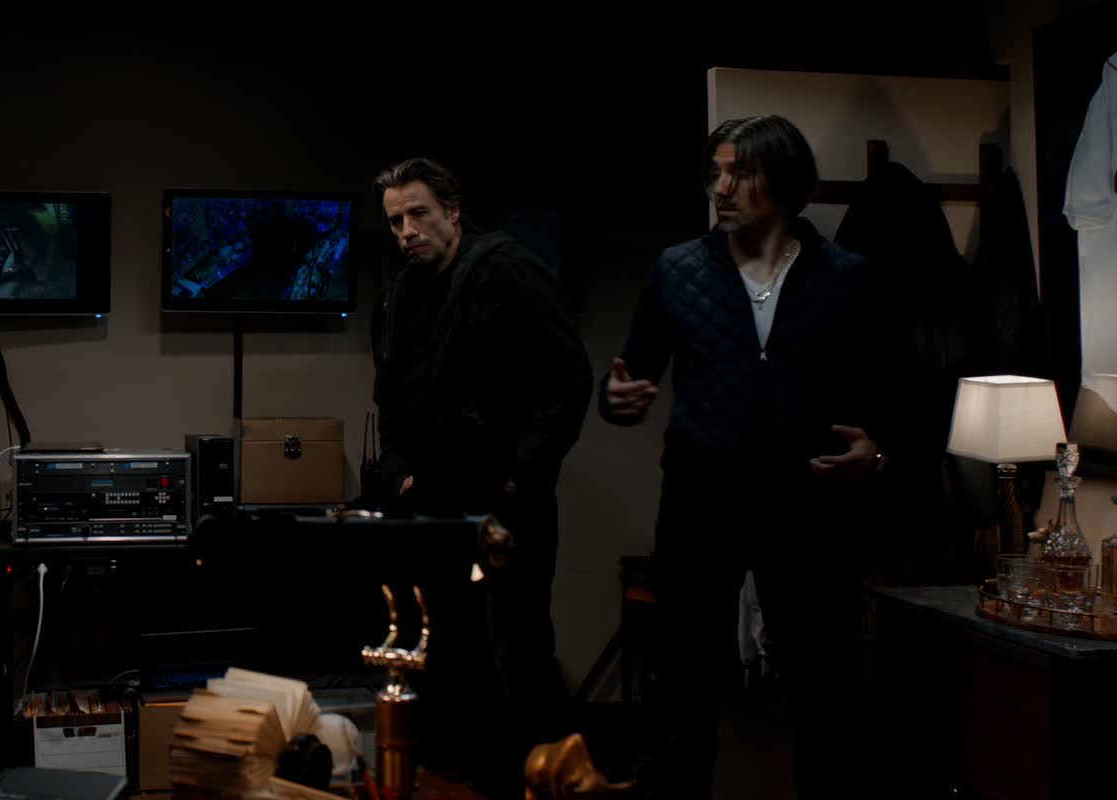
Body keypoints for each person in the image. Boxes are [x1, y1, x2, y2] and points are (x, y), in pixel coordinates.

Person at [601, 115, 887, 799]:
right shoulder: (678, 270)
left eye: (740, 173)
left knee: (824, 693)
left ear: (784, 182)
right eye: (716, 172)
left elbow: (887, 391)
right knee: (682, 691)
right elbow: (628, 375)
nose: (721, 188)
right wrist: (615, 399)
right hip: (700, 507)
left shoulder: (846, 276)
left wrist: (876, 451)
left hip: (807, 510)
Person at [370, 157, 593, 794]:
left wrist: (521, 475)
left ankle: (545, 781)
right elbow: (393, 394)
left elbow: (568, 380)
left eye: (418, 214)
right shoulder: (404, 291)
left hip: (506, 505)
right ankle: (466, 779)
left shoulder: (508, 271)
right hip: (434, 505)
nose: (407, 231)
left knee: (517, 650)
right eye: (396, 221)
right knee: (447, 651)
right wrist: (398, 472)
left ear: (452, 211)